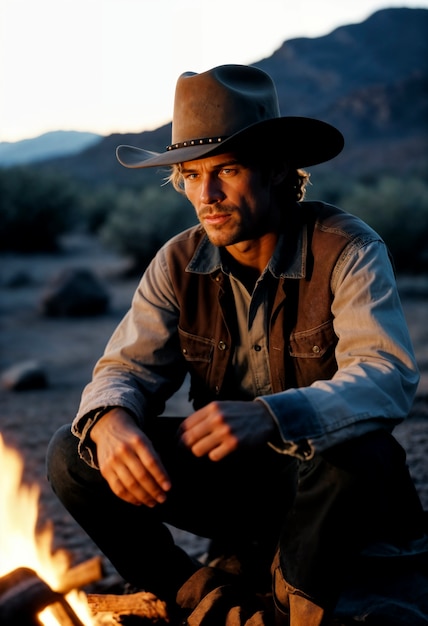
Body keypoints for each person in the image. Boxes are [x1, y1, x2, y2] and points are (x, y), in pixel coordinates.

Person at [47, 65, 426, 625]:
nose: (208, 194)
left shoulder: (347, 249)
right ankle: (197, 592)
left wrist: (275, 415)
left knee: (358, 450)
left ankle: (289, 602)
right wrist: (108, 418)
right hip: (234, 488)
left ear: (276, 169)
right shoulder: (177, 261)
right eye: (191, 175)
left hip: (326, 488)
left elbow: (385, 375)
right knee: (72, 453)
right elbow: (124, 367)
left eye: (227, 169)